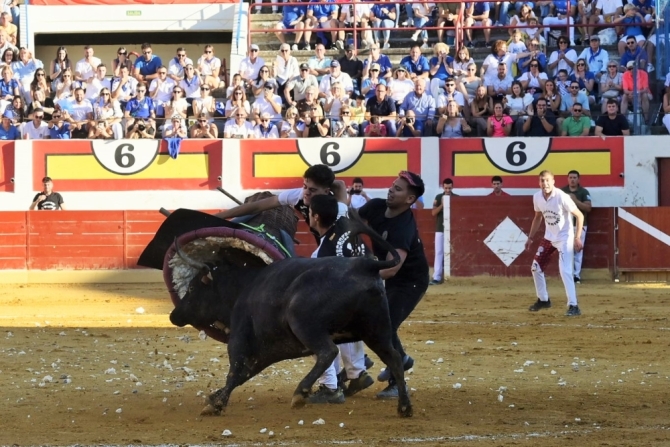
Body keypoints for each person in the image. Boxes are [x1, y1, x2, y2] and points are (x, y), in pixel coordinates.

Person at [358, 171, 429, 399]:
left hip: (410, 282)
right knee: (379, 322)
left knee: (385, 325)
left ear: (410, 199)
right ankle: (402, 359)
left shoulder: (404, 227)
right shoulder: (376, 207)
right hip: (386, 275)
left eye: (398, 189)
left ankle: (398, 384)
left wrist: (361, 274)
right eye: (392, 185)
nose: (391, 190)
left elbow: (393, 268)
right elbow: (353, 225)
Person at [305, 194, 375, 404]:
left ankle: (329, 386)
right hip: (370, 298)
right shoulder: (350, 233)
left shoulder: (320, 254)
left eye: (309, 212)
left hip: (346, 304)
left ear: (316, 217)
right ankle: (356, 373)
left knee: (313, 326)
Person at [525, 170, 584, 317]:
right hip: (549, 237)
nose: (544, 184)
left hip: (565, 237)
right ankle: (543, 300)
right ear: (539, 182)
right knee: (535, 267)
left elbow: (579, 215)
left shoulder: (562, 197)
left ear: (553, 181)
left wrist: (577, 238)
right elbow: (538, 217)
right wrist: (530, 237)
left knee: (565, 271)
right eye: (542, 181)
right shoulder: (537, 197)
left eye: (547, 180)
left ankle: (573, 305)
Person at [561, 170, 591, 284]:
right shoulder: (562, 192)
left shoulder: (583, 192)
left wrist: (574, 200)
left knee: (578, 250)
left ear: (578, 179)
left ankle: (576, 276)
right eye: (570, 177)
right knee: (565, 250)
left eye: (574, 177)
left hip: (580, 225)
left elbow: (588, 208)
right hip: (565, 226)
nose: (572, 179)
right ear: (567, 179)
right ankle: (567, 274)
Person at [430, 178, 454, 285]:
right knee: (439, 252)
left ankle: (450, 277)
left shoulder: (456, 198)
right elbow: (433, 213)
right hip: (440, 228)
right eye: (446, 188)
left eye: (449, 188)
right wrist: (442, 205)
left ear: (452, 187)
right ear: (443, 187)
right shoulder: (439, 197)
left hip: (453, 230)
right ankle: (437, 277)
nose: (448, 190)